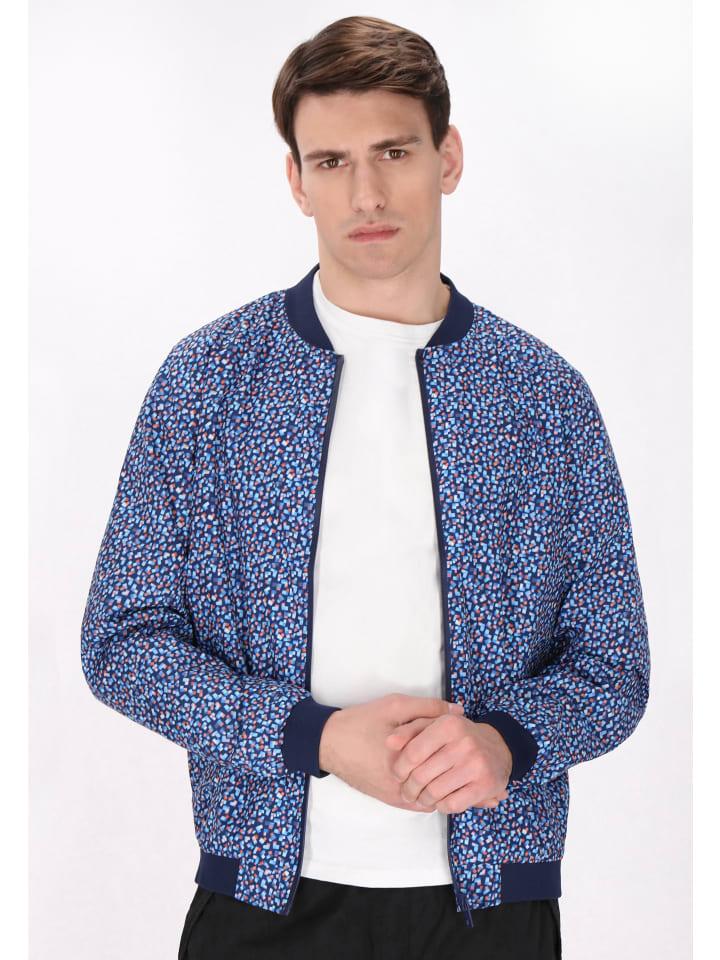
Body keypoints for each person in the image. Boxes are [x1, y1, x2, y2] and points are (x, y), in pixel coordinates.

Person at [80, 14, 650, 960]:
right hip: (264, 904)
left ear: (447, 157)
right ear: (296, 181)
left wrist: (506, 741)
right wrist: (310, 737)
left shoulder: (543, 397)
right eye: (332, 162)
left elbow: (613, 665)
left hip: (491, 910)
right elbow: (121, 642)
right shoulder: (209, 381)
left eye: (394, 151)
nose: (368, 193)